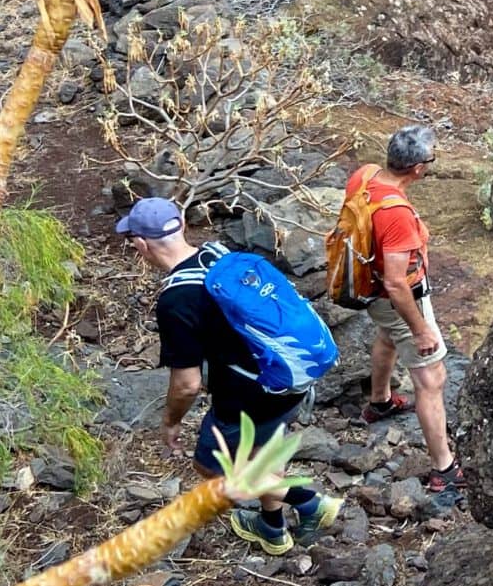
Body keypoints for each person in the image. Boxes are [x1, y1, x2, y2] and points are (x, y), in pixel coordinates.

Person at [117, 196, 343, 554]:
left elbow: (187, 384)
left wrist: (171, 421)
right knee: (263, 455)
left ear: (142, 245)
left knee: (210, 468)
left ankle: (310, 503)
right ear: (182, 226)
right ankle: (272, 529)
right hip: (288, 378)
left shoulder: (176, 300)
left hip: (246, 397)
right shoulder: (219, 254)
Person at [343, 127, 460, 499]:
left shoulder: (365, 176)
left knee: (387, 337)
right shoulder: (397, 214)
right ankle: (444, 468)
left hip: (370, 290)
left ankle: (379, 402)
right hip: (398, 297)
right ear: (418, 168)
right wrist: (421, 329)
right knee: (431, 379)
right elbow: (396, 283)